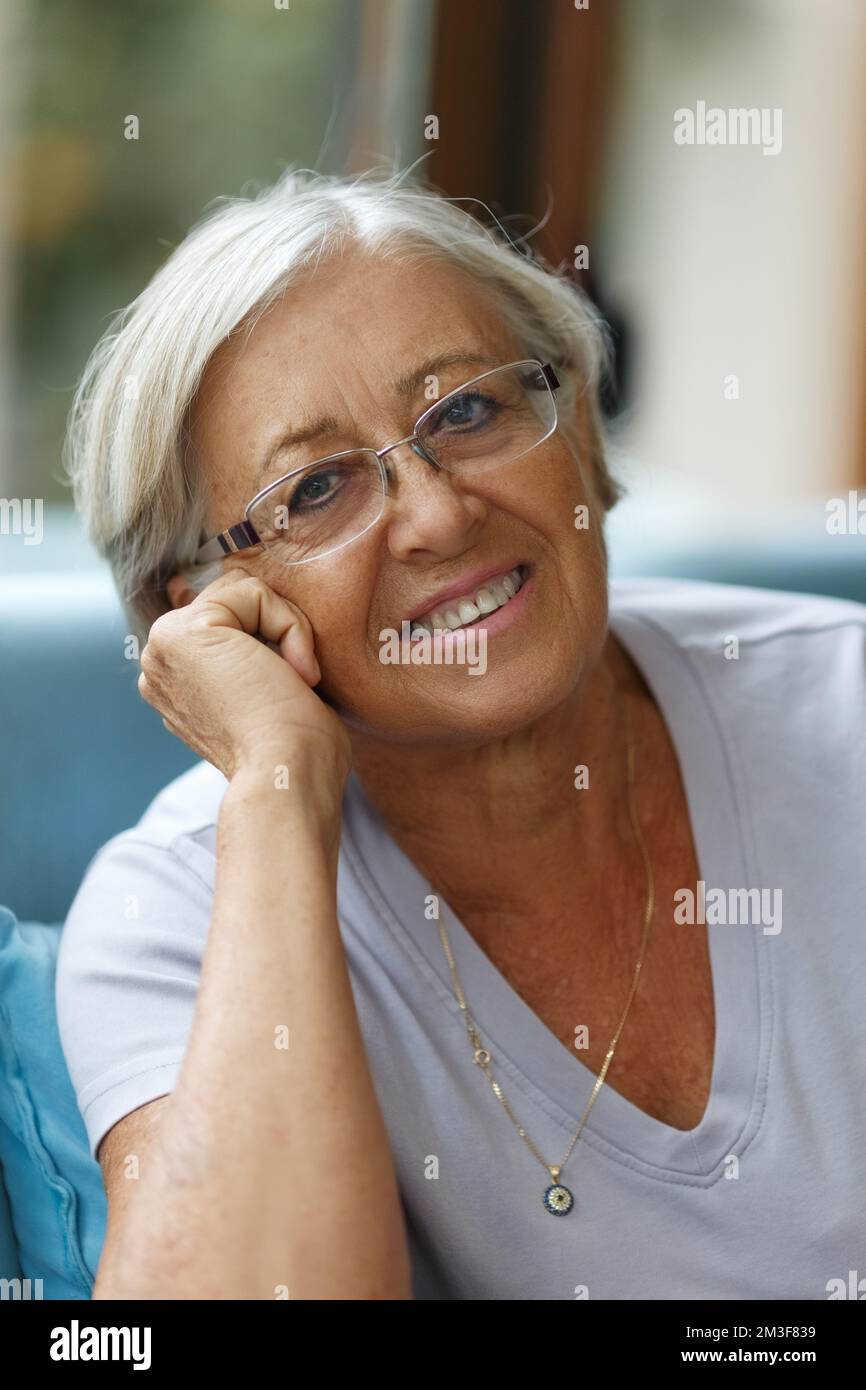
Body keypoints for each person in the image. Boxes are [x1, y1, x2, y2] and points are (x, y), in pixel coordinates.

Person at [55, 166, 866, 1300]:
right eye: (317, 490)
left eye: (469, 411)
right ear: (201, 615)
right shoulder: (168, 919)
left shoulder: (845, 704)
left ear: (576, 422)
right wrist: (279, 790)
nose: (436, 515)